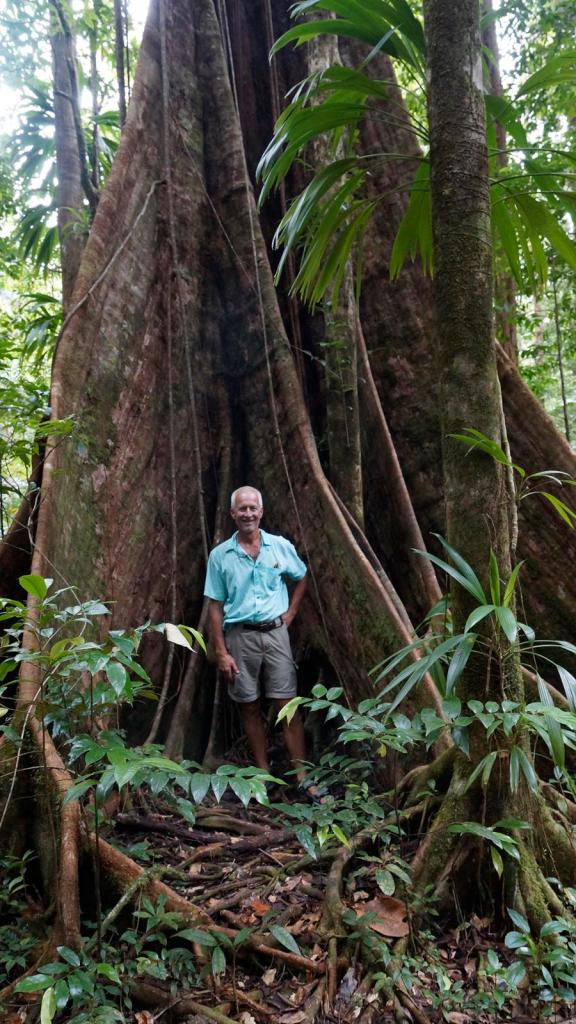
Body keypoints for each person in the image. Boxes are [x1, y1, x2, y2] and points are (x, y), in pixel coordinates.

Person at [204, 485, 322, 800]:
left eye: (253, 508)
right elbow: (214, 605)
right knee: (249, 705)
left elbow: (302, 576)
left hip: (275, 634)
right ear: (232, 514)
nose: (248, 513)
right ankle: (263, 773)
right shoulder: (220, 556)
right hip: (239, 636)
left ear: (261, 512)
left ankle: (301, 775)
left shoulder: (279, 547)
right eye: (242, 509)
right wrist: (221, 651)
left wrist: (292, 612)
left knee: (287, 703)